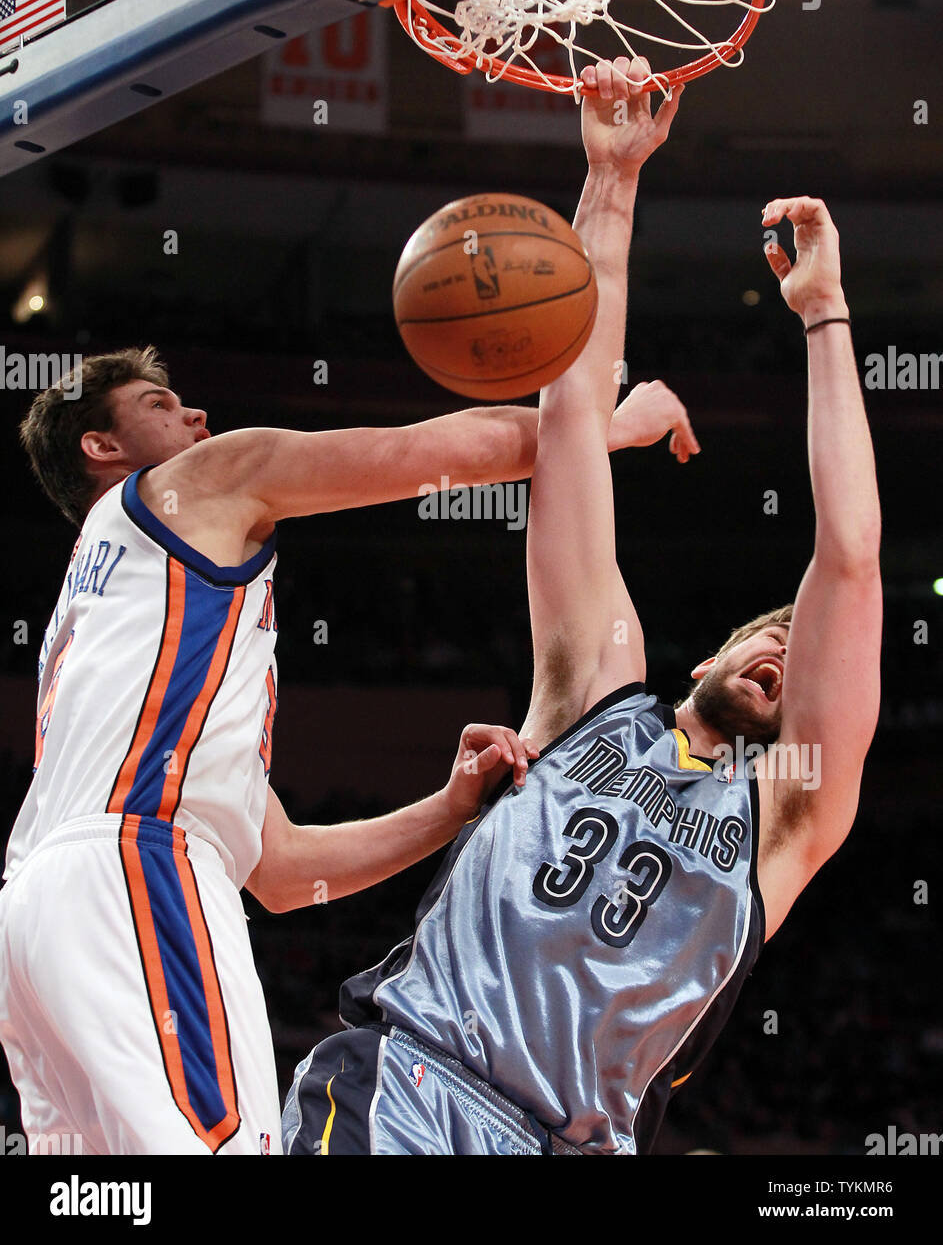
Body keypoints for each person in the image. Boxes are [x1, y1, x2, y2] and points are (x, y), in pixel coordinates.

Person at [282, 57, 882, 1155]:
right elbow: (569, 422)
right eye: (772, 633)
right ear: (714, 650)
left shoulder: (789, 810)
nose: (790, 654)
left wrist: (827, 316)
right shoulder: (593, 695)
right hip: (409, 1083)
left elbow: (848, 558)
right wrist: (609, 184)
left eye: (805, 654)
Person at [0, 341, 668, 1155]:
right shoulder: (202, 480)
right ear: (101, 448)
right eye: (158, 406)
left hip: (38, 917)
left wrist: (450, 807)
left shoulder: (115, 608)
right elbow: (436, 451)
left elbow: (279, 870)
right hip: (135, 872)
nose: (196, 414)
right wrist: (612, 429)